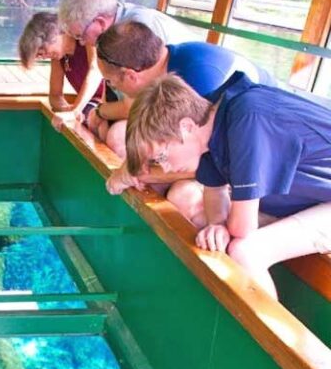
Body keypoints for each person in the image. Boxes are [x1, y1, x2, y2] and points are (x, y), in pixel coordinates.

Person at [124, 73, 331, 298]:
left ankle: (267, 332)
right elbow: (215, 191)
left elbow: (243, 228)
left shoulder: (248, 118)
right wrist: (216, 223)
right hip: (312, 200)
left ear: (186, 127)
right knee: (205, 224)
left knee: (246, 252)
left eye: (161, 157)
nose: (164, 169)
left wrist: (224, 227)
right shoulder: (211, 122)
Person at [97, 21, 274, 225]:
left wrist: (138, 174)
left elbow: (213, 161)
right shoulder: (165, 68)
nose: (111, 87)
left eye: (110, 81)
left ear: (130, 75)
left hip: (261, 171)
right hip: (225, 155)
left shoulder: (199, 78)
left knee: (182, 198)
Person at [57, 0, 198, 143]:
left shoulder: (137, 29)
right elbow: (111, 85)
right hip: (156, 103)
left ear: (100, 23)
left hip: (183, 109)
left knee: (117, 136)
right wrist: (100, 113)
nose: (82, 43)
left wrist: (99, 112)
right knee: (102, 128)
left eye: (80, 36)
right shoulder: (111, 34)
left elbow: (137, 105)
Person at [18, 12, 106, 129]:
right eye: (40, 55)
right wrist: (67, 109)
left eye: (43, 50)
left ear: (55, 34)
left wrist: (75, 110)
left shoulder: (86, 38)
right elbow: (55, 96)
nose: (45, 56)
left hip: (111, 99)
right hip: (93, 103)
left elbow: (95, 70)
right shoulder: (59, 58)